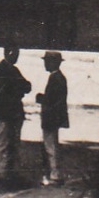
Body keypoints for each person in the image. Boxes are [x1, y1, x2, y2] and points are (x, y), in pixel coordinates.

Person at [0, 46, 33, 184]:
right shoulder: (2, 70)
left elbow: (27, 86)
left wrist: (18, 88)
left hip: (10, 111)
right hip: (7, 111)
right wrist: (18, 89)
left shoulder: (9, 70)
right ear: (8, 53)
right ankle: (2, 173)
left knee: (12, 142)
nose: (16, 56)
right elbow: (21, 87)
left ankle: (8, 172)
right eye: (15, 53)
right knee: (4, 142)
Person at [36, 50, 69, 186]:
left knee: (50, 146)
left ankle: (55, 175)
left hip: (51, 117)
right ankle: (55, 174)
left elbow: (51, 100)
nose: (45, 64)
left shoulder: (55, 78)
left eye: (46, 61)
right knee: (52, 145)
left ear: (53, 63)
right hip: (55, 117)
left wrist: (41, 98)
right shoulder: (59, 77)